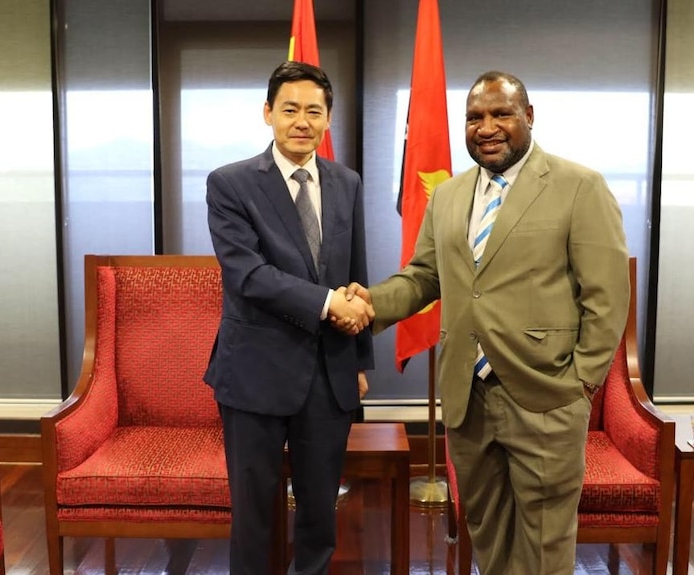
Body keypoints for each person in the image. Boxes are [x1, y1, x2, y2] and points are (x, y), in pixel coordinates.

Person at [346, 71, 629, 574]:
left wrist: (579, 384)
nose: (487, 126)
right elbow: (424, 277)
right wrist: (370, 303)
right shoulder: (449, 195)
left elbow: (606, 299)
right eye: (475, 117)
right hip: (467, 397)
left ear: (529, 117)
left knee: (543, 550)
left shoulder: (579, 186)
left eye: (501, 113)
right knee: (490, 539)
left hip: (546, 395)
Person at [204, 60, 374, 575]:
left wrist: (360, 360)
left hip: (329, 371)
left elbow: (355, 273)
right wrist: (326, 304)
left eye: (314, 111)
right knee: (254, 513)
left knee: (321, 511)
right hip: (254, 371)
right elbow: (247, 275)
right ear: (268, 113)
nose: (303, 121)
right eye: (290, 109)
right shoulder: (230, 183)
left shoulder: (346, 182)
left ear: (328, 119)